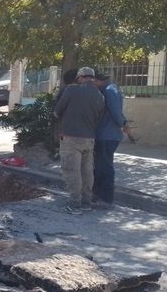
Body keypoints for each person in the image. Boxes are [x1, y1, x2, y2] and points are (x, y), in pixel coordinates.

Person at [54, 66, 105, 215]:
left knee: (72, 172)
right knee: (87, 172)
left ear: (80, 77)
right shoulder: (99, 95)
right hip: (89, 139)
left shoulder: (71, 90)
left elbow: (57, 112)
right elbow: (98, 118)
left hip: (70, 138)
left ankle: (75, 204)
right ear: (93, 78)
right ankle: (86, 203)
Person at [92, 71, 129, 209]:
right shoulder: (112, 88)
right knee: (100, 166)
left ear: (98, 81)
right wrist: (124, 123)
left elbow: (115, 112)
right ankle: (98, 195)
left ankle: (106, 198)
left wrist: (122, 124)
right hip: (107, 134)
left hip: (107, 135)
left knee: (104, 167)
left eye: (93, 82)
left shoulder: (108, 91)